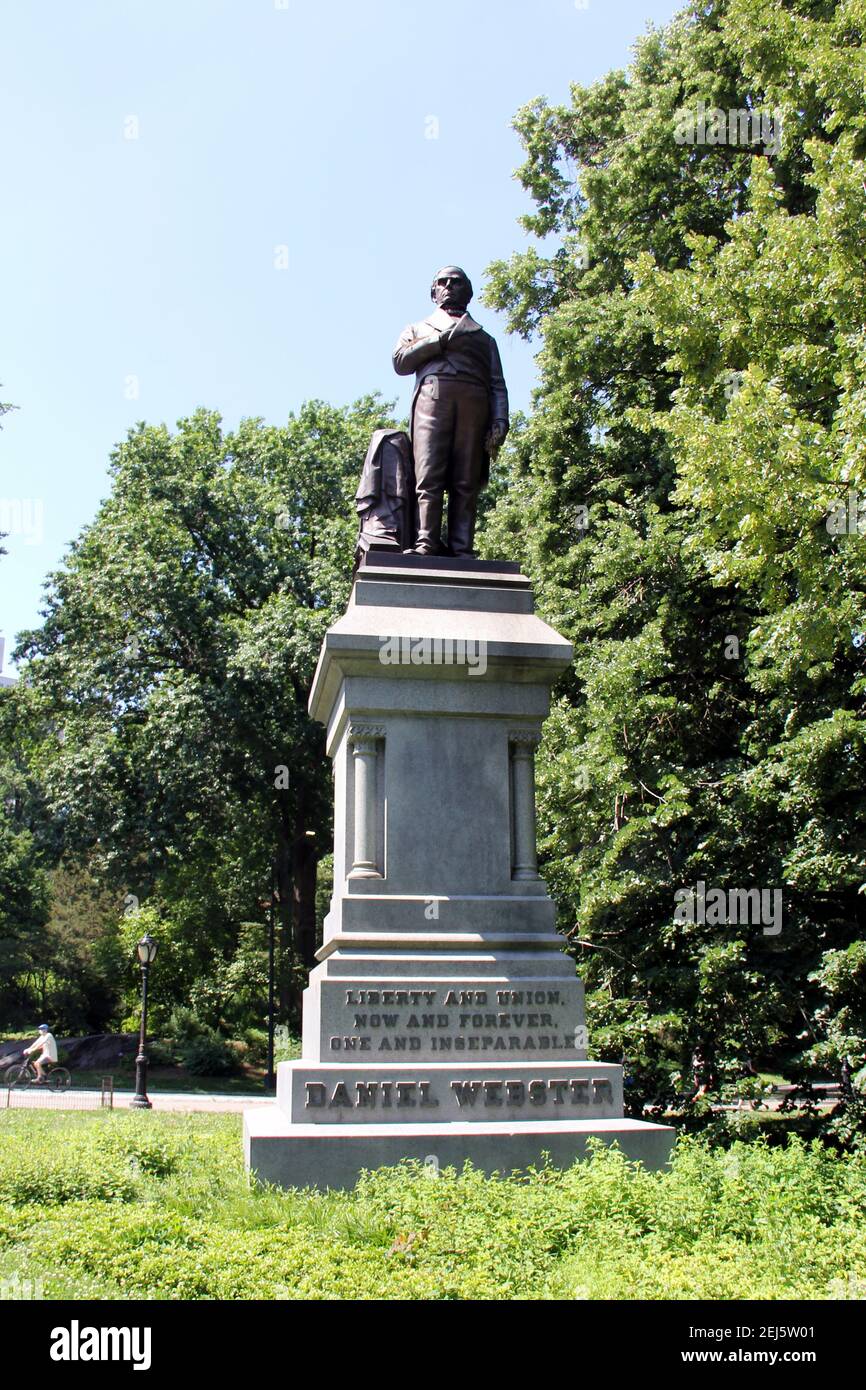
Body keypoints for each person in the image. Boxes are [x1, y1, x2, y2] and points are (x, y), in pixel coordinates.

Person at [392, 266, 509, 557]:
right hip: (432, 400)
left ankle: (462, 549)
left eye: (456, 283)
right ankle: (426, 543)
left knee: (466, 480)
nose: (449, 287)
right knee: (428, 473)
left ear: (468, 293)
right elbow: (400, 362)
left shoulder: (484, 339)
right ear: (434, 293)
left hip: (474, 406)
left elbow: (497, 383)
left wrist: (500, 418)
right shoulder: (418, 329)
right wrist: (439, 341)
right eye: (442, 283)